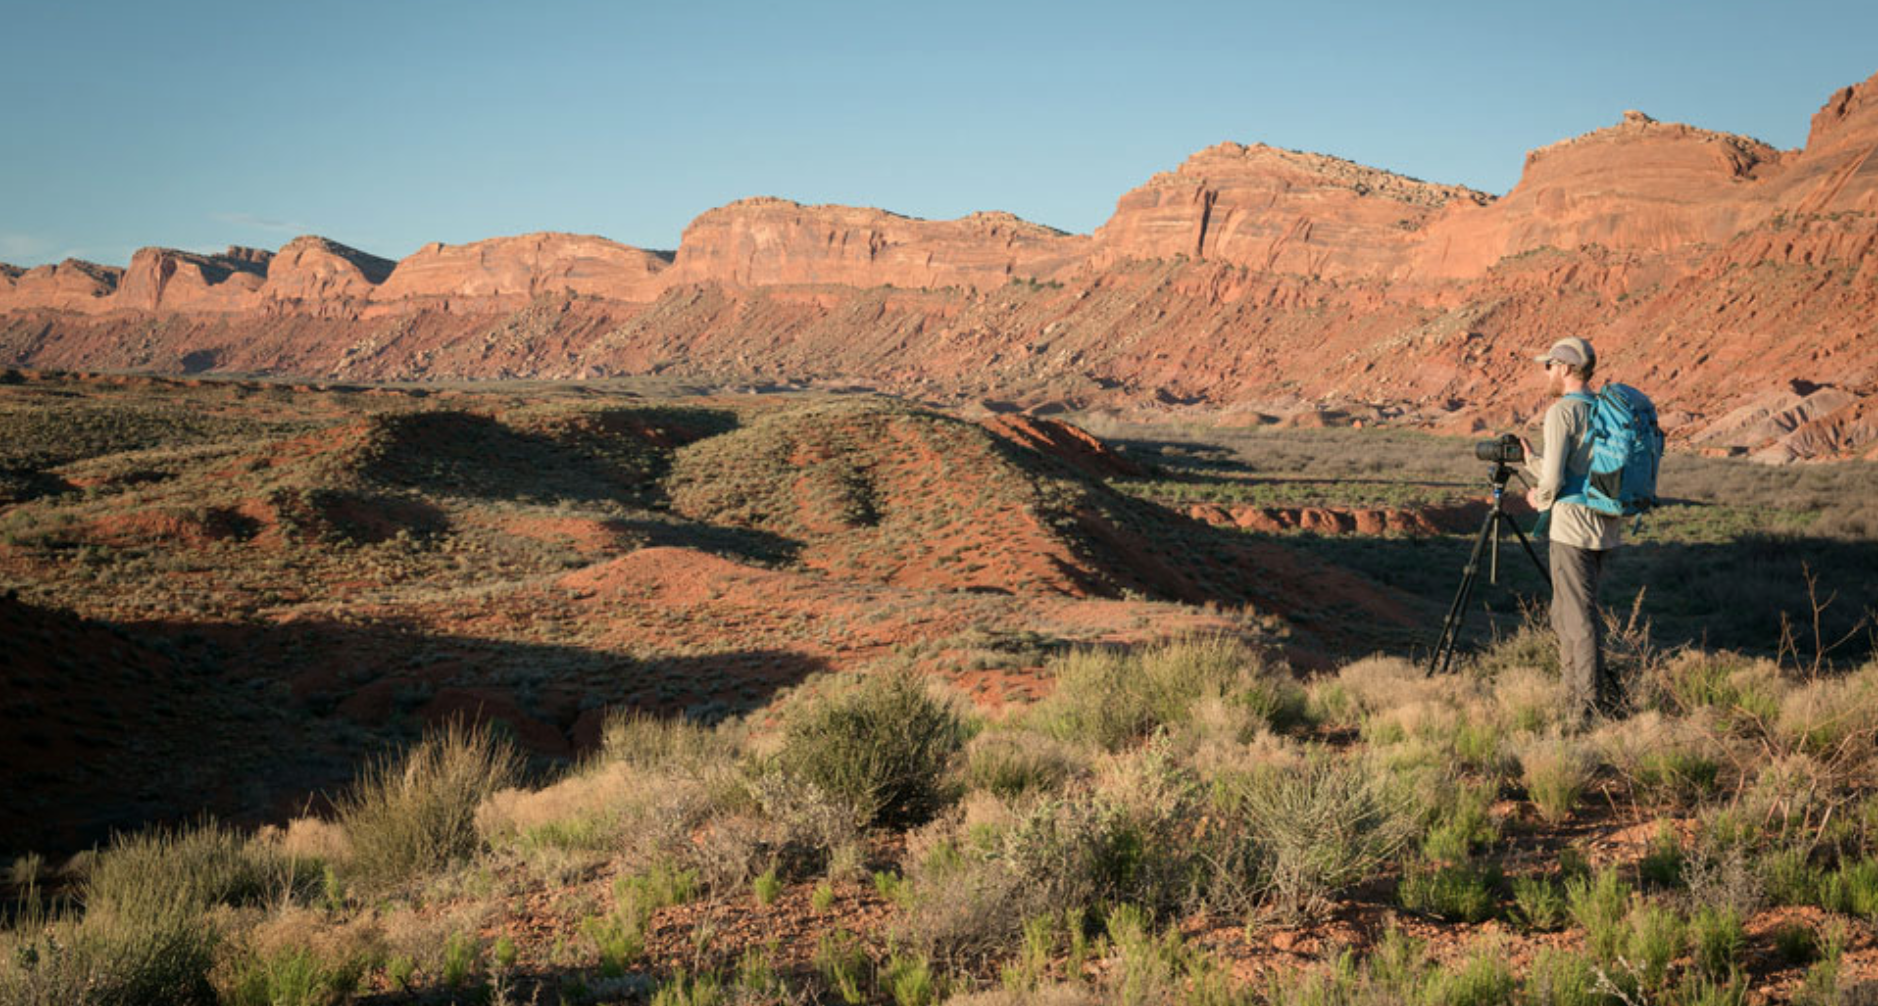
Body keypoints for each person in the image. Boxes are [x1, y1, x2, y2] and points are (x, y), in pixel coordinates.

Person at [1519, 337, 1625, 722]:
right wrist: (1532, 460)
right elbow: (1578, 469)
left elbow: (1553, 480)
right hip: (1604, 524)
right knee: (1567, 613)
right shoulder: (1603, 409)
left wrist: (1539, 499)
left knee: (1578, 617)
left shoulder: (1562, 412)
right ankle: (1575, 696)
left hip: (1572, 527)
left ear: (1564, 368)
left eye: (1549, 365)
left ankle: (1587, 706)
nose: (1546, 372)